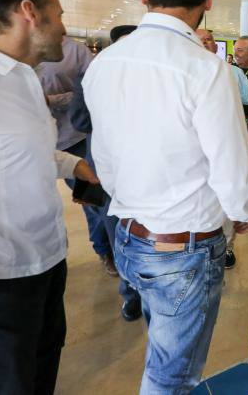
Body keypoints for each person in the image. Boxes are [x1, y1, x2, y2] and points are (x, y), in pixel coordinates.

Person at [83, 0, 248, 394]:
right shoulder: (205, 72)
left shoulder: (103, 64)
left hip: (126, 233)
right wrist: (245, 213)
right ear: (207, 0)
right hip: (182, 250)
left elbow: (102, 156)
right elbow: (233, 170)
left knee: (161, 343)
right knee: (172, 376)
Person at [0, 0, 98, 394]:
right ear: (29, 11)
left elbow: (20, 149)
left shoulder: (22, 77)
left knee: (41, 365)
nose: (65, 29)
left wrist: (74, 166)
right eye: (60, 14)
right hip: (0, 276)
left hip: (46, 260)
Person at [70, 24, 143, 322]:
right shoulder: (93, 74)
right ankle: (131, 294)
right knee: (119, 234)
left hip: (135, 172)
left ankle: (139, 291)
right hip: (110, 172)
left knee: (134, 234)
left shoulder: (141, 77)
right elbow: (79, 119)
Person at [37, 34, 113, 273]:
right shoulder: (6, 62)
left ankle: (107, 250)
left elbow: (91, 90)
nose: (60, 22)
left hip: (75, 139)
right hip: (44, 143)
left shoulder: (76, 51)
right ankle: (105, 248)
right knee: (93, 203)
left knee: (94, 199)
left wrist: (50, 100)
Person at [198, 28, 248, 270]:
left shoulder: (232, 73)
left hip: (227, 145)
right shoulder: (180, 72)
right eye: (200, 39)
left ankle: (226, 248)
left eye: (209, 39)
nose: (205, 43)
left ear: (216, 46)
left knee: (224, 196)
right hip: (194, 154)